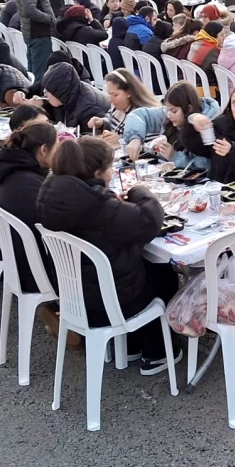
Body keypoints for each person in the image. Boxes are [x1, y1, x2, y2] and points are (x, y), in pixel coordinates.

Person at [35, 136, 181, 374]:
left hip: (75, 295)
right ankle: (157, 352)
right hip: (107, 302)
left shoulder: (53, 193)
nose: (112, 172)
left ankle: (132, 343)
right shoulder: (96, 205)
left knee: (142, 263)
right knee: (162, 272)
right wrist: (139, 191)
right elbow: (149, 221)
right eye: (110, 167)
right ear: (97, 172)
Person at [0, 122, 59, 300]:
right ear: (44, 150)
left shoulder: (11, 171)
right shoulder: (30, 185)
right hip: (36, 273)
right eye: (57, 146)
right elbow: (59, 226)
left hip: (17, 262)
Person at [186, 81, 235, 183]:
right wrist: (193, 121)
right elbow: (199, 149)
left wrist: (232, 152)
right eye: (234, 103)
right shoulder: (221, 126)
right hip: (215, 187)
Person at [152, 81, 221, 170]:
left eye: (174, 111)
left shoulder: (204, 129)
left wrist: (174, 156)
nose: (169, 115)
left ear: (189, 108)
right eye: (167, 111)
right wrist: (159, 149)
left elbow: (203, 169)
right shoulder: (171, 125)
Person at [11, 0, 56, 81]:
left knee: (34, 69)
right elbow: (30, 10)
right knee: (39, 71)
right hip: (37, 32)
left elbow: (39, 0)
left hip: (34, 31)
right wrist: (50, 19)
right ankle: (37, 96)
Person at [40, 61, 111, 129]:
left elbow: (90, 138)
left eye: (47, 90)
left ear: (60, 90)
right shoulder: (69, 94)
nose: (44, 93)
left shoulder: (88, 108)